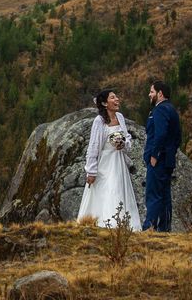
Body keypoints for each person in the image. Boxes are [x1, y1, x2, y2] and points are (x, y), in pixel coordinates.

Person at [77, 89, 141, 230]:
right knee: (108, 190)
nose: (117, 99)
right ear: (105, 103)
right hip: (105, 164)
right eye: (113, 97)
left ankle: (121, 225)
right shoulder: (99, 121)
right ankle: (106, 224)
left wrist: (123, 144)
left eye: (116, 97)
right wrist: (91, 171)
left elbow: (127, 138)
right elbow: (93, 146)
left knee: (119, 190)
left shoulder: (120, 117)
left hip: (119, 162)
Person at [143, 80, 182, 232]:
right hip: (168, 160)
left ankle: (149, 227)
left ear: (159, 93)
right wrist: (170, 153)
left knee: (153, 194)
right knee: (165, 195)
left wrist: (155, 155)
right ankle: (164, 228)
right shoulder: (172, 110)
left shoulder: (160, 110)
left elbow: (160, 134)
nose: (149, 95)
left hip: (158, 160)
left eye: (151, 92)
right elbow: (178, 137)